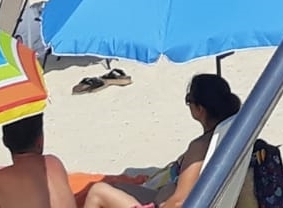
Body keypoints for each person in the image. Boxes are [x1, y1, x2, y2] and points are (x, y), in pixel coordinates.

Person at [81, 75, 255, 208]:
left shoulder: (200, 147)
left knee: (97, 192)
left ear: (200, 109)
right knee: (117, 187)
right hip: (175, 198)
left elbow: (181, 201)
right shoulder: (232, 133)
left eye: (189, 101)